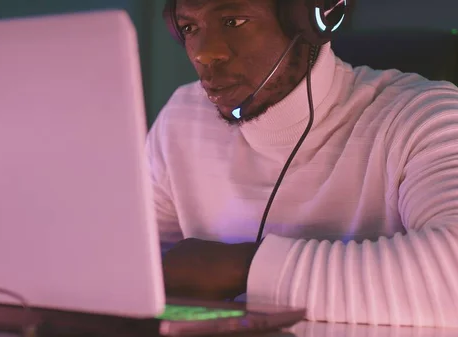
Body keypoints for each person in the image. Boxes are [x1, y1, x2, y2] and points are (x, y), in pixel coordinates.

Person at [146, 0, 458, 328]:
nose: (204, 54)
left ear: (313, 18)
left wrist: (241, 270)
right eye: (189, 28)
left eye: (233, 21)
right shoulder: (182, 116)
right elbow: (127, 269)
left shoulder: (424, 115)